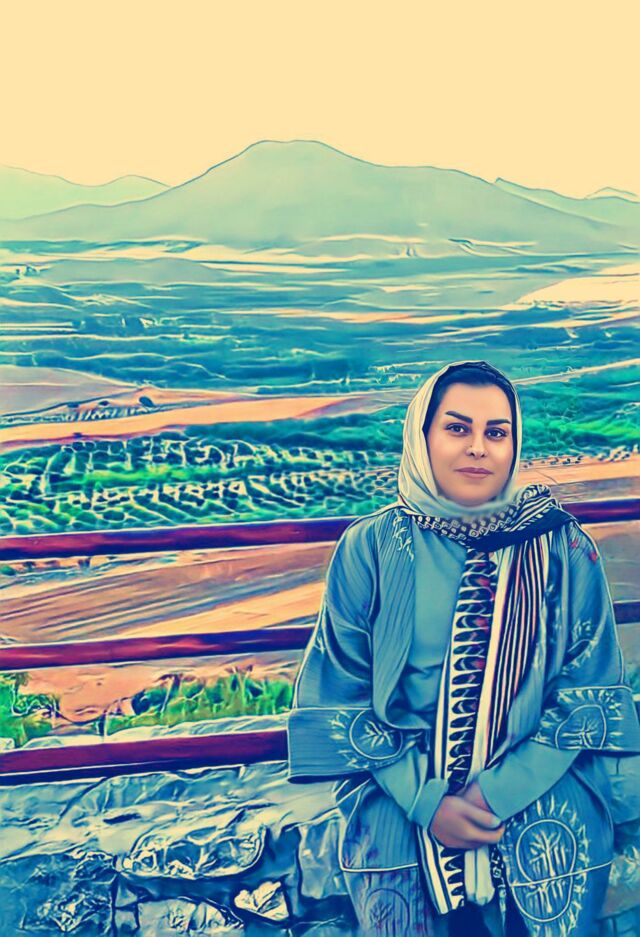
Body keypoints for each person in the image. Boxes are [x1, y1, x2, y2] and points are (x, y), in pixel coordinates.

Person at [287, 359, 640, 936]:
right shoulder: (372, 547)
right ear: (422, 437)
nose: (478, 447)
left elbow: (588, 691)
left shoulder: (562, 547)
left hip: (539, 783)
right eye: (457, 428)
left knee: (551, 860)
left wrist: (497, 794)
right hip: (400, 788)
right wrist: (427, 802)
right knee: (394, 863)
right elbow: (341, 692)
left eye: (496, 432)